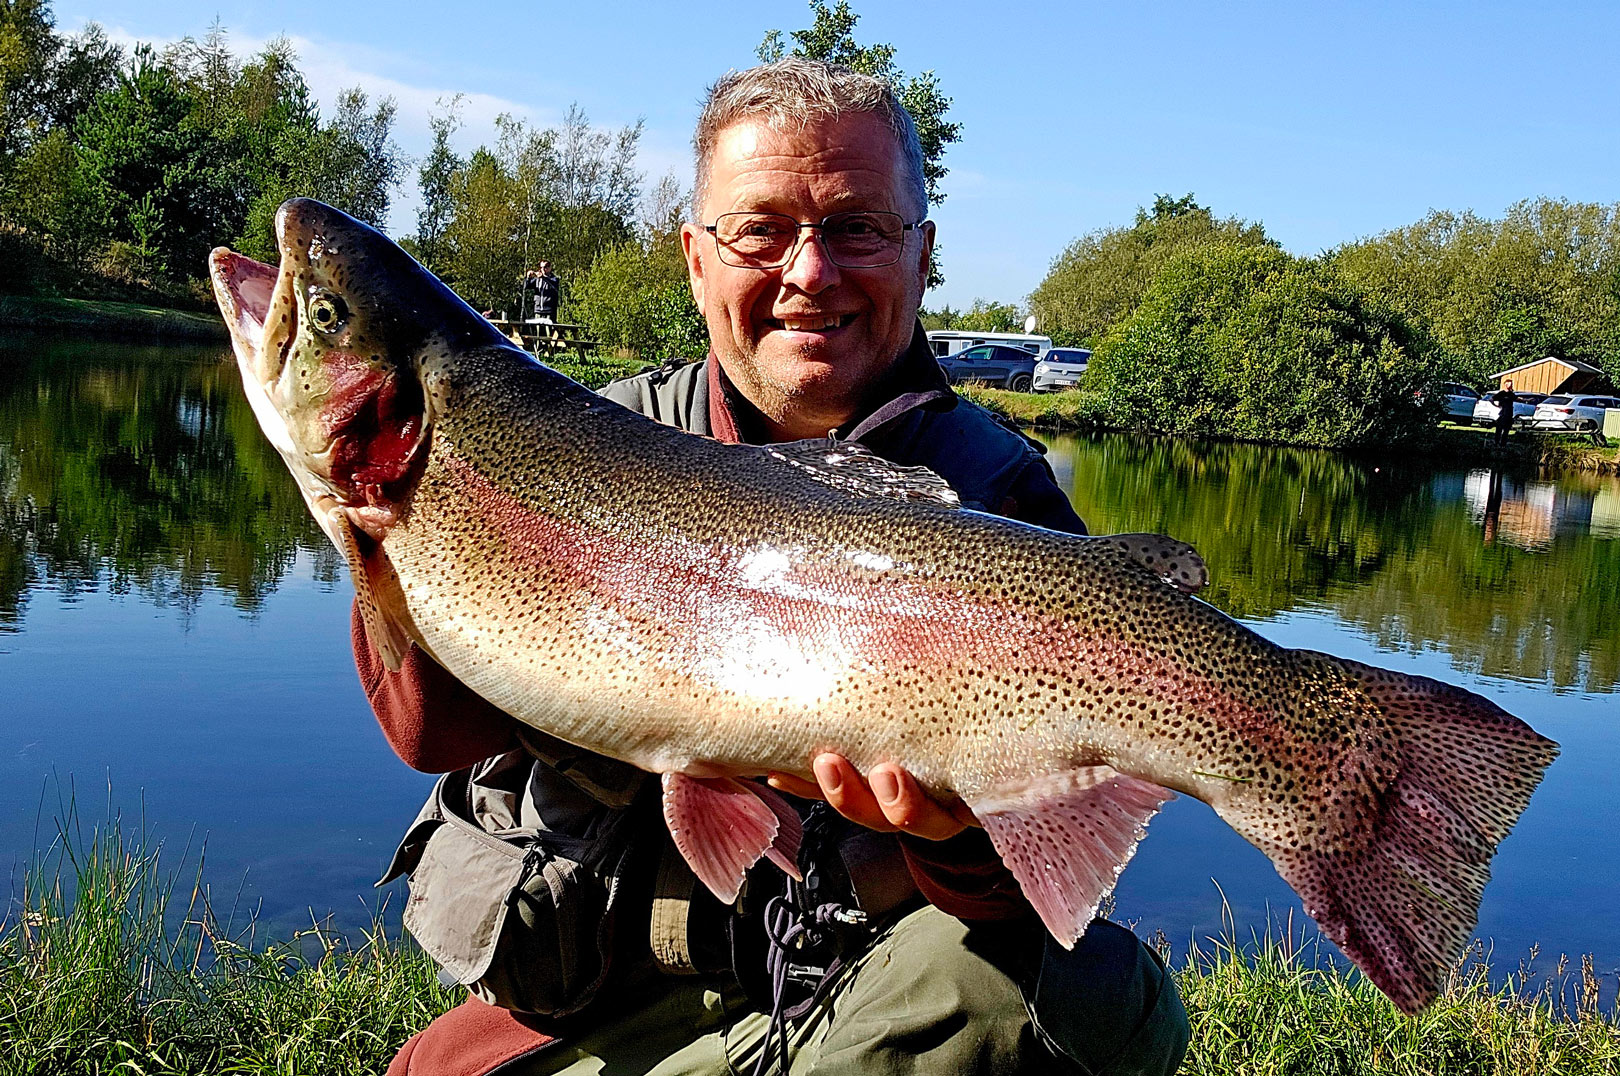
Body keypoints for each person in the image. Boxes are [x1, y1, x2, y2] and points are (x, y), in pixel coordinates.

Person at [365, 59, 1189, 1076]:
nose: (810, 272)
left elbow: (1035, 880)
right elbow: (430, 732)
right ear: (697, 259)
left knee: (1080, 997)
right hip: (598, 1009)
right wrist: (389, 525)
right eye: (760, 230)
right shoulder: (582, 442)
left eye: (857, 228)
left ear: (921, 254)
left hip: (858, 1001)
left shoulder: (998, 498)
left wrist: (954, 838)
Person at [1491, 379, 1518, 445]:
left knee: (1506, 430)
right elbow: (1491, 399)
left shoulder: (1511, 394)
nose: (1511, 385)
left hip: (1509, 413)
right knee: (1499, 428)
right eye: (1509, 384)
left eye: (1511, 384)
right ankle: (1496, 442)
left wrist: (1527, 400)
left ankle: (1503, 443)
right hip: (1503, 413)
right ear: (1506, 384)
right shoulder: (1501, 393)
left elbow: (1517, 398)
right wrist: (1496, 406)